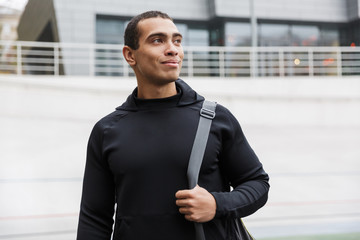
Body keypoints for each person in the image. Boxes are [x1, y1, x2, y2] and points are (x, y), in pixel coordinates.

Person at [76, 10, 269, 240]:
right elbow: (94, 219)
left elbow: (257, 184)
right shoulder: (106, 131)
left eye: (176, 40)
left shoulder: (216, 118)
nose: (172, 49)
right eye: (158, 40)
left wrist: (218, 204)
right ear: (130, 55)